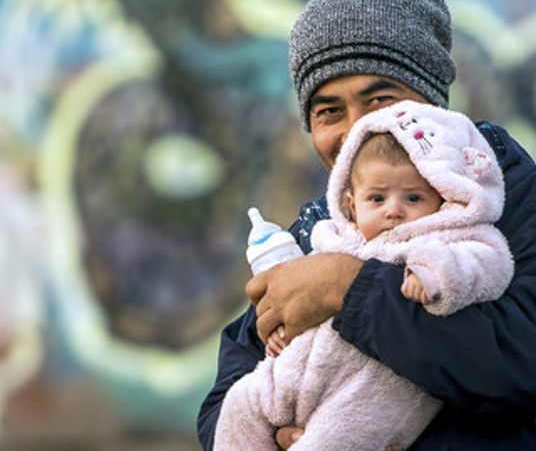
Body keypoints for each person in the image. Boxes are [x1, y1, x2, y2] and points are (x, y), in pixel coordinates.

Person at [197, 0, 536, 450]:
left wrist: (350, 290)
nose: (357, 129)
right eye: (329, 110)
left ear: (434, 103)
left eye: (380, 100)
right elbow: (223, 399)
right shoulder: (319, 230)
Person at [214, 101, 515, 450]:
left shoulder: (443, 237)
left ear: (442, 198)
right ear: (352, 204)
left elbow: (490, 263)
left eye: (413, 197)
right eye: (377, 198)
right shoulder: (330, 236)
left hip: (374, 391)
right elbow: (298, 305)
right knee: (238, 406)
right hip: (299, 372)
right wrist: (283, 335)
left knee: (331, 441)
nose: (393, 210)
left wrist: (435, 276)